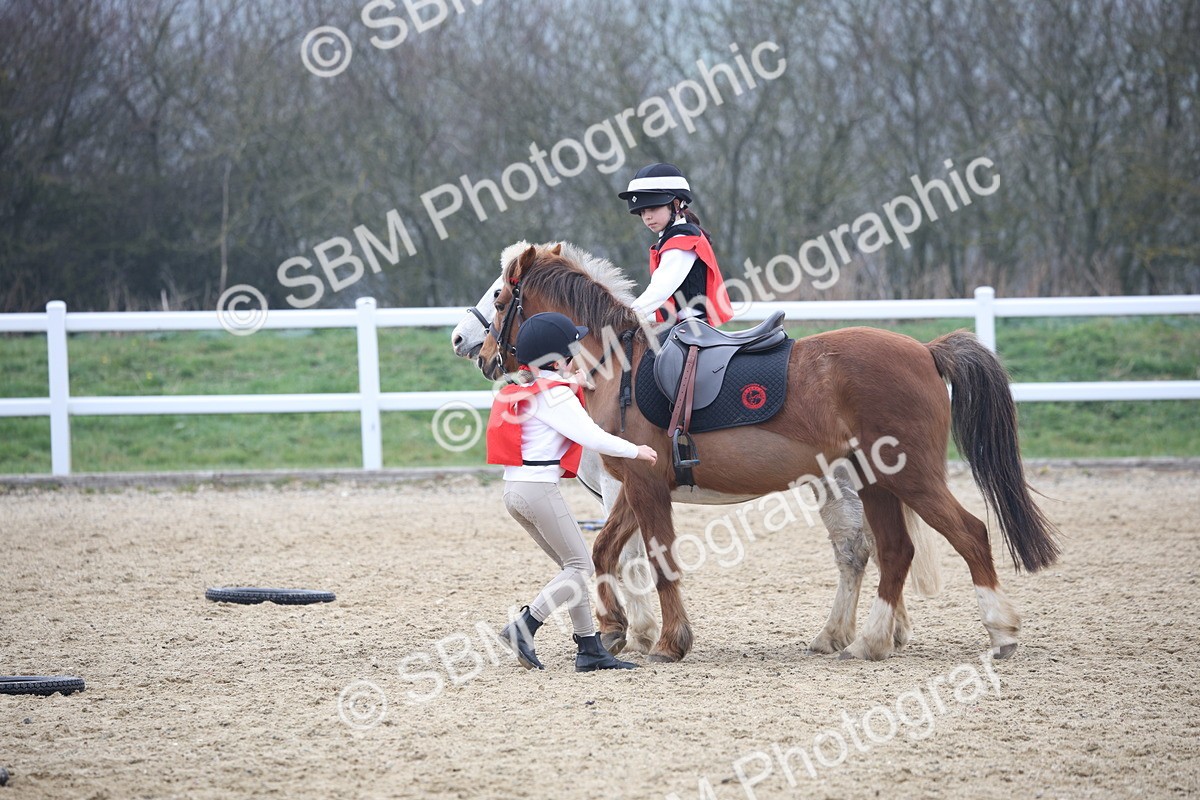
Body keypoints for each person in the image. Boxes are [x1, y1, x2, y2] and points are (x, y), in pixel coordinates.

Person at [486, 312, 658, 672]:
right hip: (538, 493)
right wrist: (636, 450)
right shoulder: (558, 398)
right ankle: (525, 625)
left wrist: (573, 380)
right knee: (581, 567)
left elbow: (558, 390)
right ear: (558, 359)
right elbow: (591, 437)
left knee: (571, 568)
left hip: (514, 492)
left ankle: (589, 647)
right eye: (571, 352)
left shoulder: (531, 388)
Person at [618, 162, 734, 326]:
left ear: (676, 204)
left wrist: (624, 317)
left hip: (692, 331)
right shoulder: (672, 238)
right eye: (642, 212)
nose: (647, 217)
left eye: (652, 208)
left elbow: (659, 291)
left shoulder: (683, 241)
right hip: (682, 329)